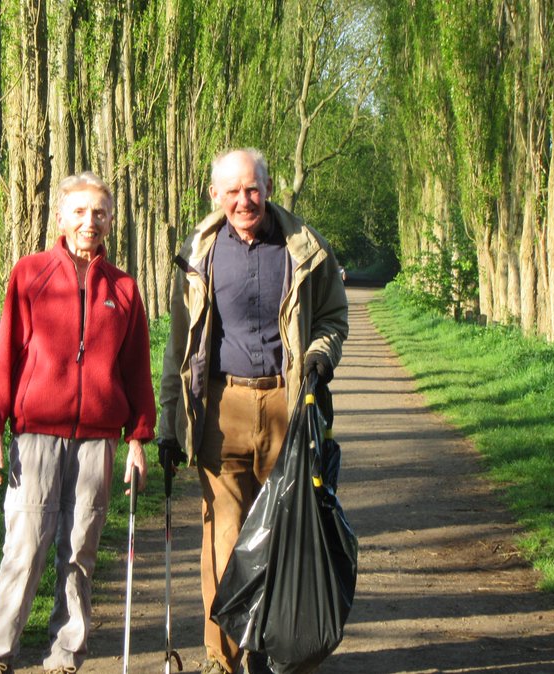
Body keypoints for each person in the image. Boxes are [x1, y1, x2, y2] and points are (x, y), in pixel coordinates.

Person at [155, 148, 349, 674]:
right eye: (233, 191)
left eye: (254, 188)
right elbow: (179, 346)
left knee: (289, 532)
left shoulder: (304, 247)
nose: (245, 200)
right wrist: (169, 421)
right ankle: (223, 656)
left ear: (268, 188)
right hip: (220, 409)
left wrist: (318, 357)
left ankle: (284, 649)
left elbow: (333, 316)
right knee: (225, 534)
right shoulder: (200, 253)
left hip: (288, 404)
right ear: (215, 195)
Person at [0, 172, 156, 674]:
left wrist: (138, 439)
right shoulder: (30, 273)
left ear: (110, 220)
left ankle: (65, 654)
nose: (89, 222)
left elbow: (135, 369)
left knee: (79, 551)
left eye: (99, 213)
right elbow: (5, 354)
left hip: (97, 441)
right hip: (35, 436)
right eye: (79, 211)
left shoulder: (124, 289)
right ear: (61, 217)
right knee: (25, 549)